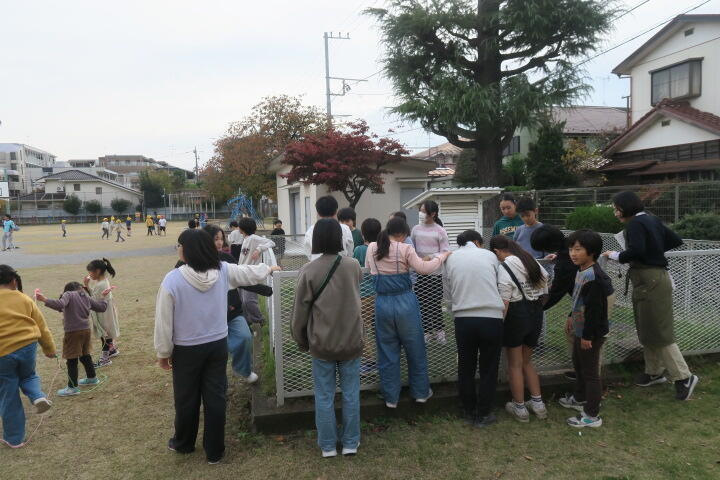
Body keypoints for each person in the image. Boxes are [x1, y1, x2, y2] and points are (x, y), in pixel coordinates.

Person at [154, 228, 278, 464]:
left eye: (179, 246)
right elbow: (248, 273)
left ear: (186, 250)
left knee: (186, 397)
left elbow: (163, 321)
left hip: (186, 348)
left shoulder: (173, 279)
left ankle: (183, 443)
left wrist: (163, 352)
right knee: (215, 396)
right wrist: (269, 269)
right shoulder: (223, 270)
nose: (178, 249)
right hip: (217, 344)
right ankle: (215, 450)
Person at [602, 191, 699, 401]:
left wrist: (615, 255)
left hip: (650, 280)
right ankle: (654, 372)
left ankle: (684, 377)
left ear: (626, 208)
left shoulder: (635, 224)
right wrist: (654, 250)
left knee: (659, 331)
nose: (615, 212)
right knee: (647, 327)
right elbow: (674, 240)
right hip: (652, 280)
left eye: (617, 208)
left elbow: (636, 251)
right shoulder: (650, 219)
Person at [291, 219, 364, 458]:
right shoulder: (353, 266)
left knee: (324, 395)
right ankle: (351, 442)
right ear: (340, 239)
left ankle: (328, 445)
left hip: (321, 342)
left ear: (316, 239)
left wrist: (301, 338)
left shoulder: (309, 270)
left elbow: (300, 311)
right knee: (351, 393)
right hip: (351, 340)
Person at [366, 217, 451, 408]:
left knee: (387, 350)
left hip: (382, 303)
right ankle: (421, 393)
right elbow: (424, 269)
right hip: (405, 303)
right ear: (404, 234)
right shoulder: (405, 248)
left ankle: (390, 398)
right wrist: (442, 256)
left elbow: (370, 269)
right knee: (415, 348)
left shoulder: (372, 247)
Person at [444, 230, 505, 428]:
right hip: (491, 317)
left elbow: (447, 292)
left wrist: (454, 309)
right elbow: (500, 283)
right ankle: (484, 412)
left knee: (466, 365)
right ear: (478, 242)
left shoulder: (451, 258)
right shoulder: (490, 256)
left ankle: (467, 409)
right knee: (489, 367)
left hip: (463, 318)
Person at [200, 225, 273, 384]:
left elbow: (242, 278)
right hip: (209, 316)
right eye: (215, 239)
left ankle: (244, 370)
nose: (219, 243)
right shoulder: (196, 263)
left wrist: (266, 289)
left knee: (245, 337)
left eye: (221, 239)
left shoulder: (226, 259)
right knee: (215, 350)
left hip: (232, 310)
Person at [489, 235, 549, 423]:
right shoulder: (530, 260)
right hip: (536, 314)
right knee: (527, 361)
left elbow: (505, 302)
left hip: (516, 317)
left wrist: (498, 325)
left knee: (514, 364)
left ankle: (520, 407)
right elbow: (546, 286)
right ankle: (538, 405)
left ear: (497, 251)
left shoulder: (504, 267)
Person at [559, 230, 614, 428]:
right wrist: (571, 316)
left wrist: (587, 336)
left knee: (590, 373)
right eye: (571, 249)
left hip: (591, 333)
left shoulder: (594, 277)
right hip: (581, 329)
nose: (573, 254)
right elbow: (579, 299)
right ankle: (580, 397)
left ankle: (592, 415)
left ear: (591, 252)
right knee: (578, 363)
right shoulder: (582, 270)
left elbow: (595, 311)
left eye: (578, 249)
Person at [0, 265, 57, 448]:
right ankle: (37, 396)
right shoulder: (24, 298)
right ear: (13, 281)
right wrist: (49, 349)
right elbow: (42, 326)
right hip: (27, 346)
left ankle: (14, 439)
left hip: (2, 353)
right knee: (29, 376)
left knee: (9, 394)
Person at [35, 282, 112, 397]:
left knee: (71, 359)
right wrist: (103, 297)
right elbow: (101, 307)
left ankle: (72, 387)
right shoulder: (84, 295)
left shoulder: (69, 294)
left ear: (67, 290)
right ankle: (92, 377)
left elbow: (60, 304)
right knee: (85, 355)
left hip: (73, 333)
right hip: (86, 330)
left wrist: (43, 299)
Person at [531, 224, 579, 381]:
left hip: (589, 301)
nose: (544, 252)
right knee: (572, 335)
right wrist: (557, 256)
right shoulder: (570, 245)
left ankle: (586, 380)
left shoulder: (566, 264)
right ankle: (581, 372)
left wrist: (535, 307)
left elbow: (556, 293)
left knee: (582, 339)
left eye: (544, 249)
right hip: (585, 298)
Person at [410, 200, 450, 344]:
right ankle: (426, 332)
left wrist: (431, 257)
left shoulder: (440, 230)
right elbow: (411, 249)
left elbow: (445, 251)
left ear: (433, 214)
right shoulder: (415, 229)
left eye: (423, 211)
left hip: (435, 273)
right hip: (420, 273)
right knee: (423, 303)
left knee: (435, 303)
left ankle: (439, 332)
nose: (420, 213)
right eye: (420, 210)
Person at [353, 218, 381, 374]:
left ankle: (370, 362)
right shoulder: (381, 248)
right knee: (374, 327)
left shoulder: (359, 250)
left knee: (360, 328)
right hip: (378, 293)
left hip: (364, 294)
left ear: (363, 234)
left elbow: (355, 270)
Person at [237, 218, 275, 325]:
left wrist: (259, 249)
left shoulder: (253, 238)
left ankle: (259, 320)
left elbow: (271, 242)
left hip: (251, 274)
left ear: (242, 228)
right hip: (241, 273)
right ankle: (248, 322)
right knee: (242, 301)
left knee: (249, 301)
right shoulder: (245, 239)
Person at [85, 258, 120, 368]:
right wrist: (87, 286)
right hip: (105, 312)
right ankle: (112, 350)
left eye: (90, 272)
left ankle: (104, 359)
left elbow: (93, 300)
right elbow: (96, 296)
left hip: (103, 314)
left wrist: (86, 287)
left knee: (104, 335)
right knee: (107, 333)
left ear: (98, 271)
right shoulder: (103, 282)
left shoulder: (100, 285)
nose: (89, 275)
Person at [304, 196, 354, 261]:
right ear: (336, 211)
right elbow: (350, 250)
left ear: (318, 213)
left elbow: (308, 252)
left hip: (317, 265)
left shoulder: (310, 230)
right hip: (341, 264)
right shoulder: (345, 228)